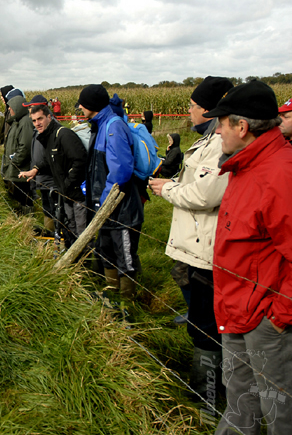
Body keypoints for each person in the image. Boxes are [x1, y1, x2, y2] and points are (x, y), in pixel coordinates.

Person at [204, 80, 292, 435]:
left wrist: (278, 317)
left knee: (281, 412)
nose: (217, 130)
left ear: (242, 127)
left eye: (221, 122)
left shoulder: (280, 174)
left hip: (266, 322)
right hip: (236, 310)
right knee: (242, 401)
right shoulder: (245, 166)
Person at [148, 76, 233, 403]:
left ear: (209, 110)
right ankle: (211, 388)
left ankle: (207, 397)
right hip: (195, 245)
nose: (189, 110)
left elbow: (205, 194)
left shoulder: (218, 144)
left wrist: (166, 188)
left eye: (193, 105)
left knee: (207, 328)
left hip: (206, 248)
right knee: (201, 319)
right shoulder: (206, 140)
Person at [80, 84, 143, 298]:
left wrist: (103, 203)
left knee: (124, 256)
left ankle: (127, 304)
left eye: (83, 103)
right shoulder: (100, 125)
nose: (79, 106)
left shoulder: (113, 127)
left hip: (120, 210)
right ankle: (111, 295)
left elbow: (121, 173)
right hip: (106, 208)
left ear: (92, 105)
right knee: (105, 251)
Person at [20, 105, 87, 247]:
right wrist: (35, 169)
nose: (37, 123)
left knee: (83, 235)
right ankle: (74, 265)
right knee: (70, 231)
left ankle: (87, 265)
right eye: (34, 120)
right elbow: (49, 159)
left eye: (40, 119)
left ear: (49, 117)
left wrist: (68, 183)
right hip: (66, 194)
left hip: (78, 195)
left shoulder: (63, 135)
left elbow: (80, 160)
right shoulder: (48, 137)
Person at [1, 93, 34, 215]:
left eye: (11, 107)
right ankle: (22, 215)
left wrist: (14, 162)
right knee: (19, 195)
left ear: (17, 107)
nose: (9, 109)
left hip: (21, 169)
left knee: (24, 195)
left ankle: (27, 218)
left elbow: (25, 146)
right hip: (17, 168)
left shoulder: (25, 123)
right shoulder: (17, 122)